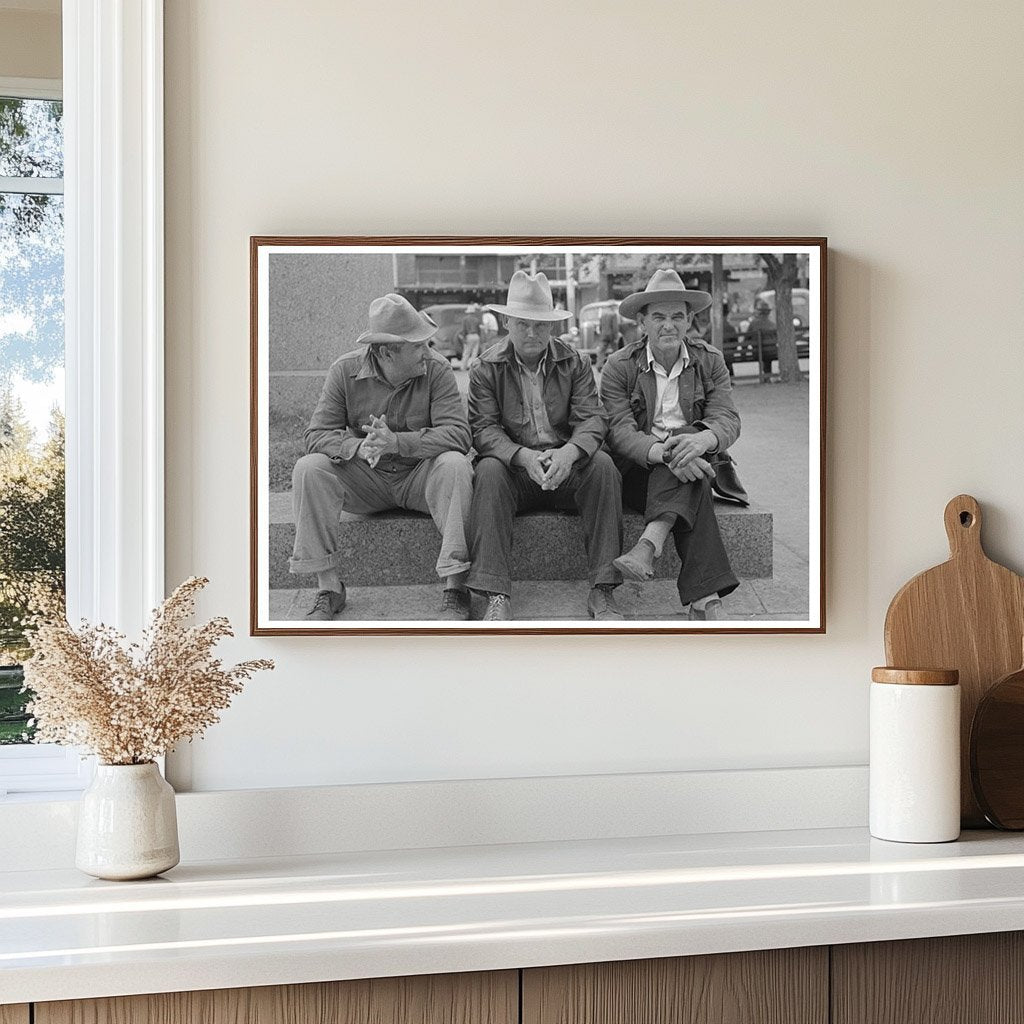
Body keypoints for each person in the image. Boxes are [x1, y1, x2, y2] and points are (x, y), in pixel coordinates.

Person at [290, 293, 474, 621]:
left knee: (456, 465)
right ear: (387, 352)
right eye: (418, 345)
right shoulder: (343, 370)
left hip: (420, 478)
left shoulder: (438, 368)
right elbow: (315, 436)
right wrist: (357, 447)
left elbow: (459, 435)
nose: (427, 352)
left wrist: (397, 443)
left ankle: (455, 587)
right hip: (368, 480)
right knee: (309, 469)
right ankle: (329, 588)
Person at [466, 271, 623, 621]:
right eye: (523, 324)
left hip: (566, 466)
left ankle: (603, 589)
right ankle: (496, 594)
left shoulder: (576, 362)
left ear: (552, 325)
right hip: (517, 472)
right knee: (488, 470)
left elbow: (593, 418)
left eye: (540, 324)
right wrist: (522, 456)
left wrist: (570, 453)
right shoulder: (485, 368)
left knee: (603, 467)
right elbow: (483, 429)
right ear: (507, 322)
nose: (532, 333)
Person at [600, 268, 740, 620]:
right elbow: (619, 431)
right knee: (686, 462)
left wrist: (705, 438)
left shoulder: (709, 360)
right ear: (642, 322)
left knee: (690, 444)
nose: (669, 325)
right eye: (658, 317)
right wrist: (668, 451)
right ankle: (706, 599)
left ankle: (649, 544)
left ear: (689, 320)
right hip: (640, 471)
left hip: (697, 459)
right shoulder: (618, 367)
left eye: (677, 316)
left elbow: (727, 417)